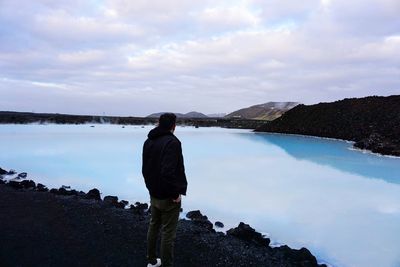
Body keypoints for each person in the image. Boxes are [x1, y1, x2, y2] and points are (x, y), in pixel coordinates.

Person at [142, 113, 188, 267]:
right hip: (168, 196)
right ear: (173, 126)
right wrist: (175, 193)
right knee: (168, 233)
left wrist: (150, 188)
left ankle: (152, 260)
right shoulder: (172, 142)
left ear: (158, 123)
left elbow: (145, 170)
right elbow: (168, 172)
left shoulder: (148, 141)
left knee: (154, 225)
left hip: (154, 192)